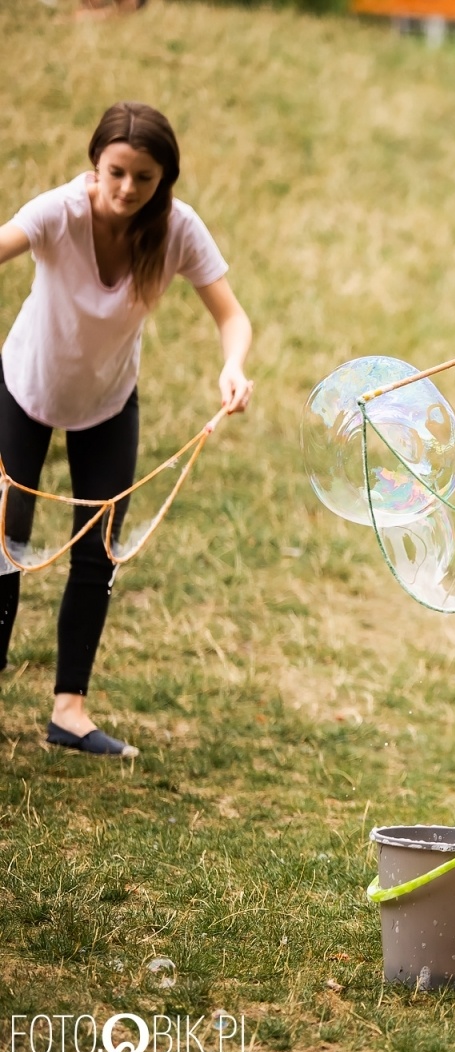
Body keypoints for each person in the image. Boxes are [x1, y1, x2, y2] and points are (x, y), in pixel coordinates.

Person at [0, 101, 253, 758]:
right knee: (5, 541)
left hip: (110, 404)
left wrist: (233, 366)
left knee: (99, 549)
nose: (126, 189)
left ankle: (70, 711)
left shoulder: (176, 229)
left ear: (163, 180)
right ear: (95, 164)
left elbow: (232, 315)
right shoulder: (59, 211)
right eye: (115, 172)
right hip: (25, 390)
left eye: (143, 177)